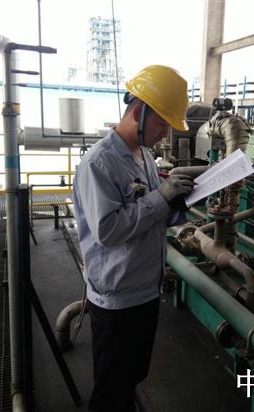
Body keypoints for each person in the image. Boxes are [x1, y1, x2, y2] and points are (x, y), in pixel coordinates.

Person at [72, 65, 194, 412]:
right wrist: (161, 198)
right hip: (117, 299)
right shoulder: (100, 163)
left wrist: (177, 204)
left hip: (144, 290)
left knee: (131, 376)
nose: (165, 134)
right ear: (139, 113)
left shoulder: (145, 157)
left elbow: (151, 215)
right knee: (111, 391)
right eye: (162, 124)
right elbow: (108, 231)